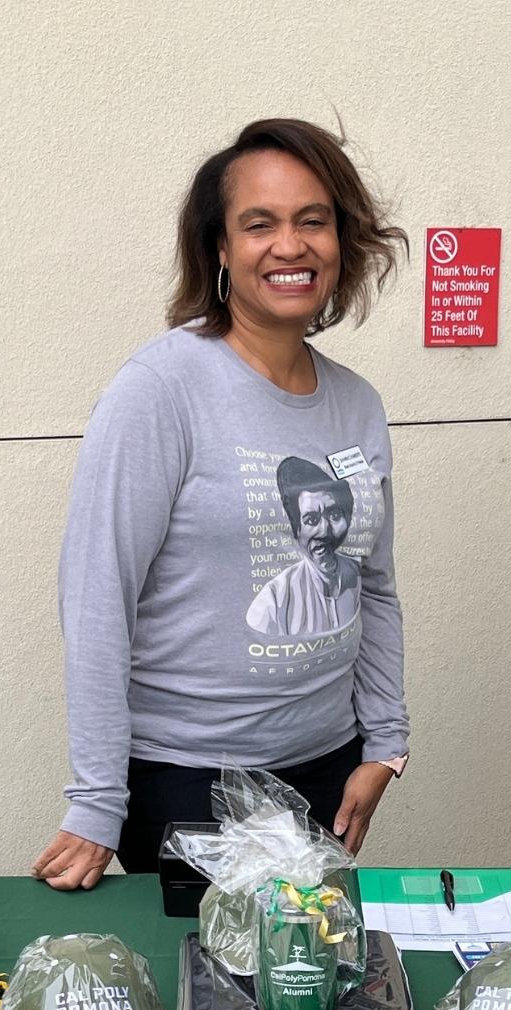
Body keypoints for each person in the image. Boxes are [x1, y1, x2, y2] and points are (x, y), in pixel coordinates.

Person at [37, 118, 411, 891]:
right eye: (259, 224)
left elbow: (370, 585)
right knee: (213, 1001)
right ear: (218, 248)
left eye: (313, 220)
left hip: (327, 771)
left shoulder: (357, 404)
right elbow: (97, 594)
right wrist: (97, 801)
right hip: (188, 785)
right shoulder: (160, 391)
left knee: (304, 987)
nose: (290, 245)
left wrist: (385, 743)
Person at [245, 456, 361, 637]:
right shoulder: (275, 599)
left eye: (335, 514)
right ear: (297, 530)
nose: (324, 531)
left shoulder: (357, 574)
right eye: (311, 520)